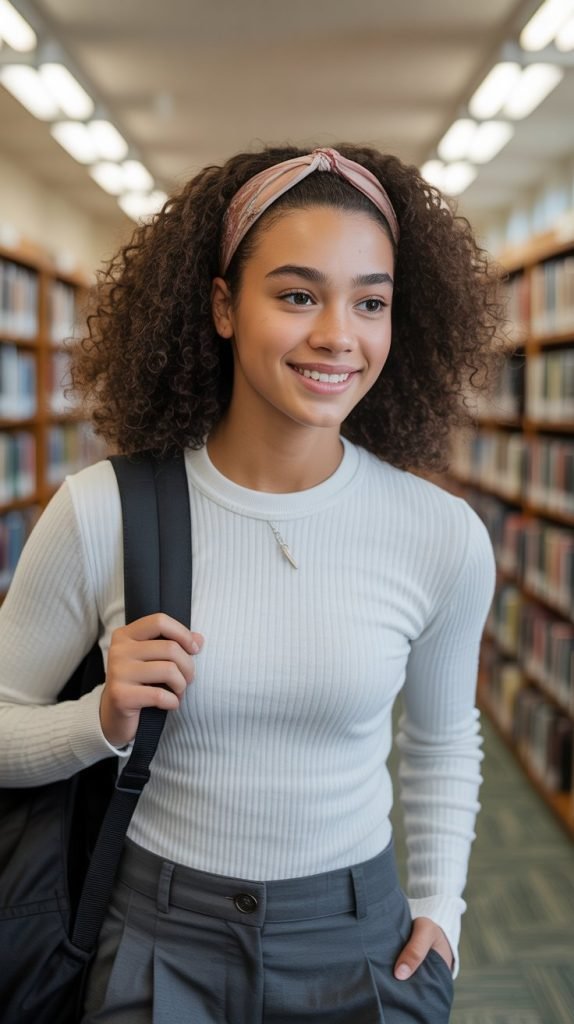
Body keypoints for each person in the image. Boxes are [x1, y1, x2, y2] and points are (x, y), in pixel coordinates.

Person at [0, 144, 504, 1023]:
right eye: (298, 294)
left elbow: (441, 741)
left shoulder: (439, 535)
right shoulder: (100, 512)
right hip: (155, 940)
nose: (338, 335)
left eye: (371, 301)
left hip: (361, 943)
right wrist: (99, 720)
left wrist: (442, 907)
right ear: (225, 305)